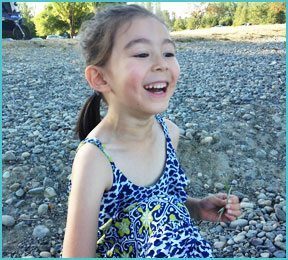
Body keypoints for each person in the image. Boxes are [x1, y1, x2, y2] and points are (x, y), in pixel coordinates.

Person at [62, 4, 241, 258]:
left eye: (168, 52)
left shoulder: (169, 133)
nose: (161, 64)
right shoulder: (96, 159)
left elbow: (159, 203)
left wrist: (198, 208)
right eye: (142, 54)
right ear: (100, 78)